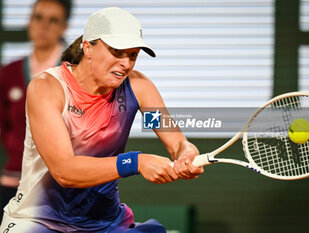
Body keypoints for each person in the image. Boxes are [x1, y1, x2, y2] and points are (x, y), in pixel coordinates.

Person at [0, 7, 204, 233]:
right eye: (117, 51)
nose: (126, 64)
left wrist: (185, 153)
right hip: (37, 221)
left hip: (105, 224)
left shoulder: (139, 88)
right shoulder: (46, 88)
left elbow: (176, 142)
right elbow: (64, 171)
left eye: (133, 55)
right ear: (88, 47)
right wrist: (136, 162)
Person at [0, 0, 71, 220]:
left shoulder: (76, 73)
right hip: (13, 182)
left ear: (64, 27)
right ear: (29, 21)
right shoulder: (9, 72)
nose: (44, 26)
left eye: (53, 20)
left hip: (63, 186)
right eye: (38, 18)